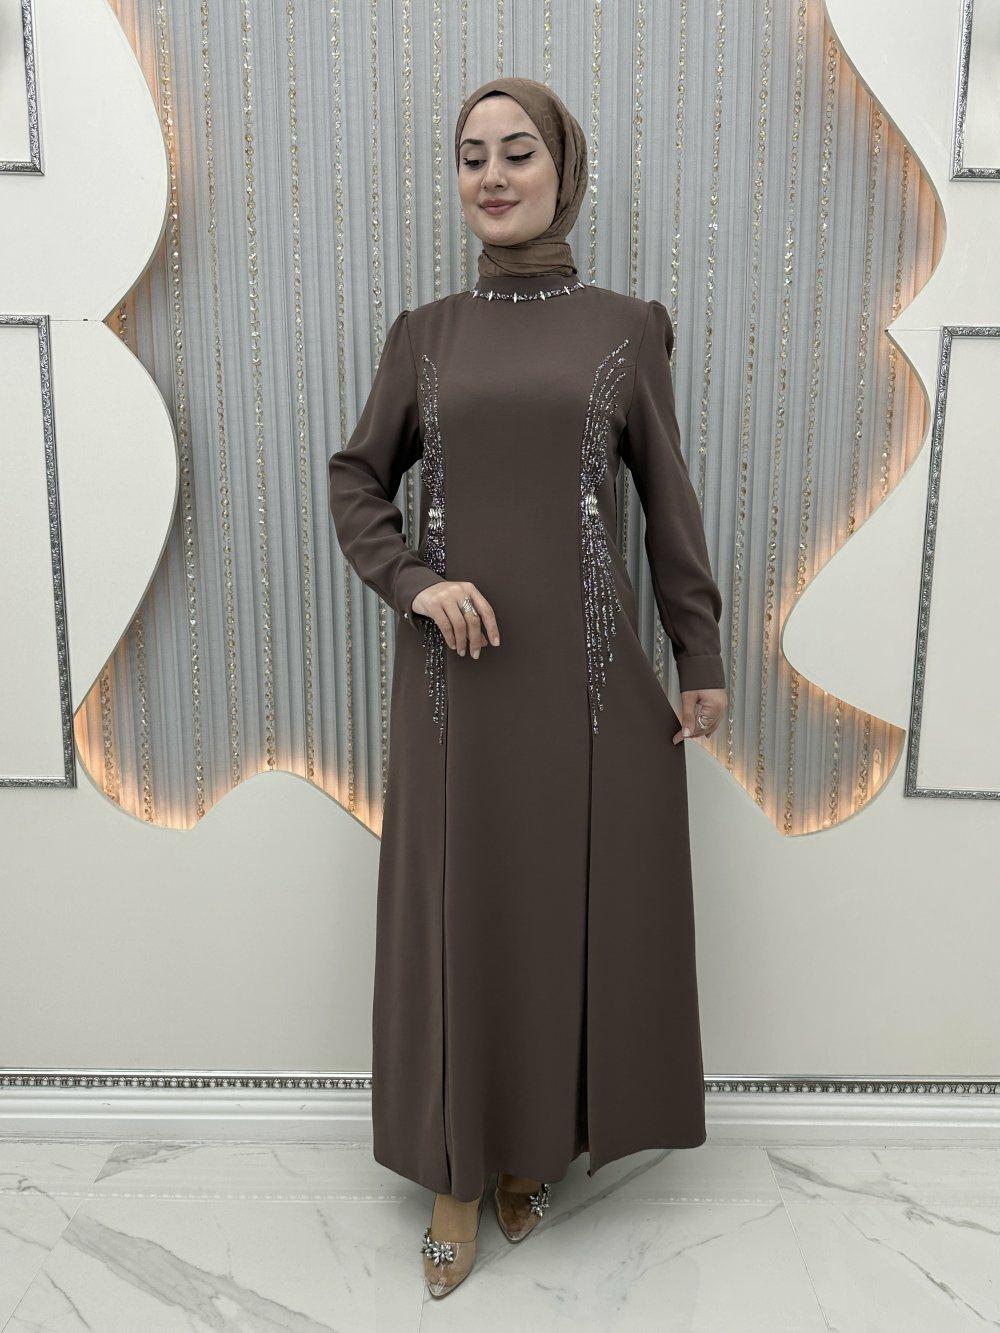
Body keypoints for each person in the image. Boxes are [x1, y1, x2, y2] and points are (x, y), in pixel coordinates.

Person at [329, 75, 727, 1299]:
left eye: (516, 152)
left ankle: (530, 1148)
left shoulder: (625, 329)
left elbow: (666, 498)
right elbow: (355, 481)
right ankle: (455, 1175)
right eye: (470, 156)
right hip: (454, 685)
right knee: (463, 916)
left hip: (587, 685)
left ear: (563, 168)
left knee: (558, 915)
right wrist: (413, 582)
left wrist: (699, 652)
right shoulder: (425, 335)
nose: (492, 175)